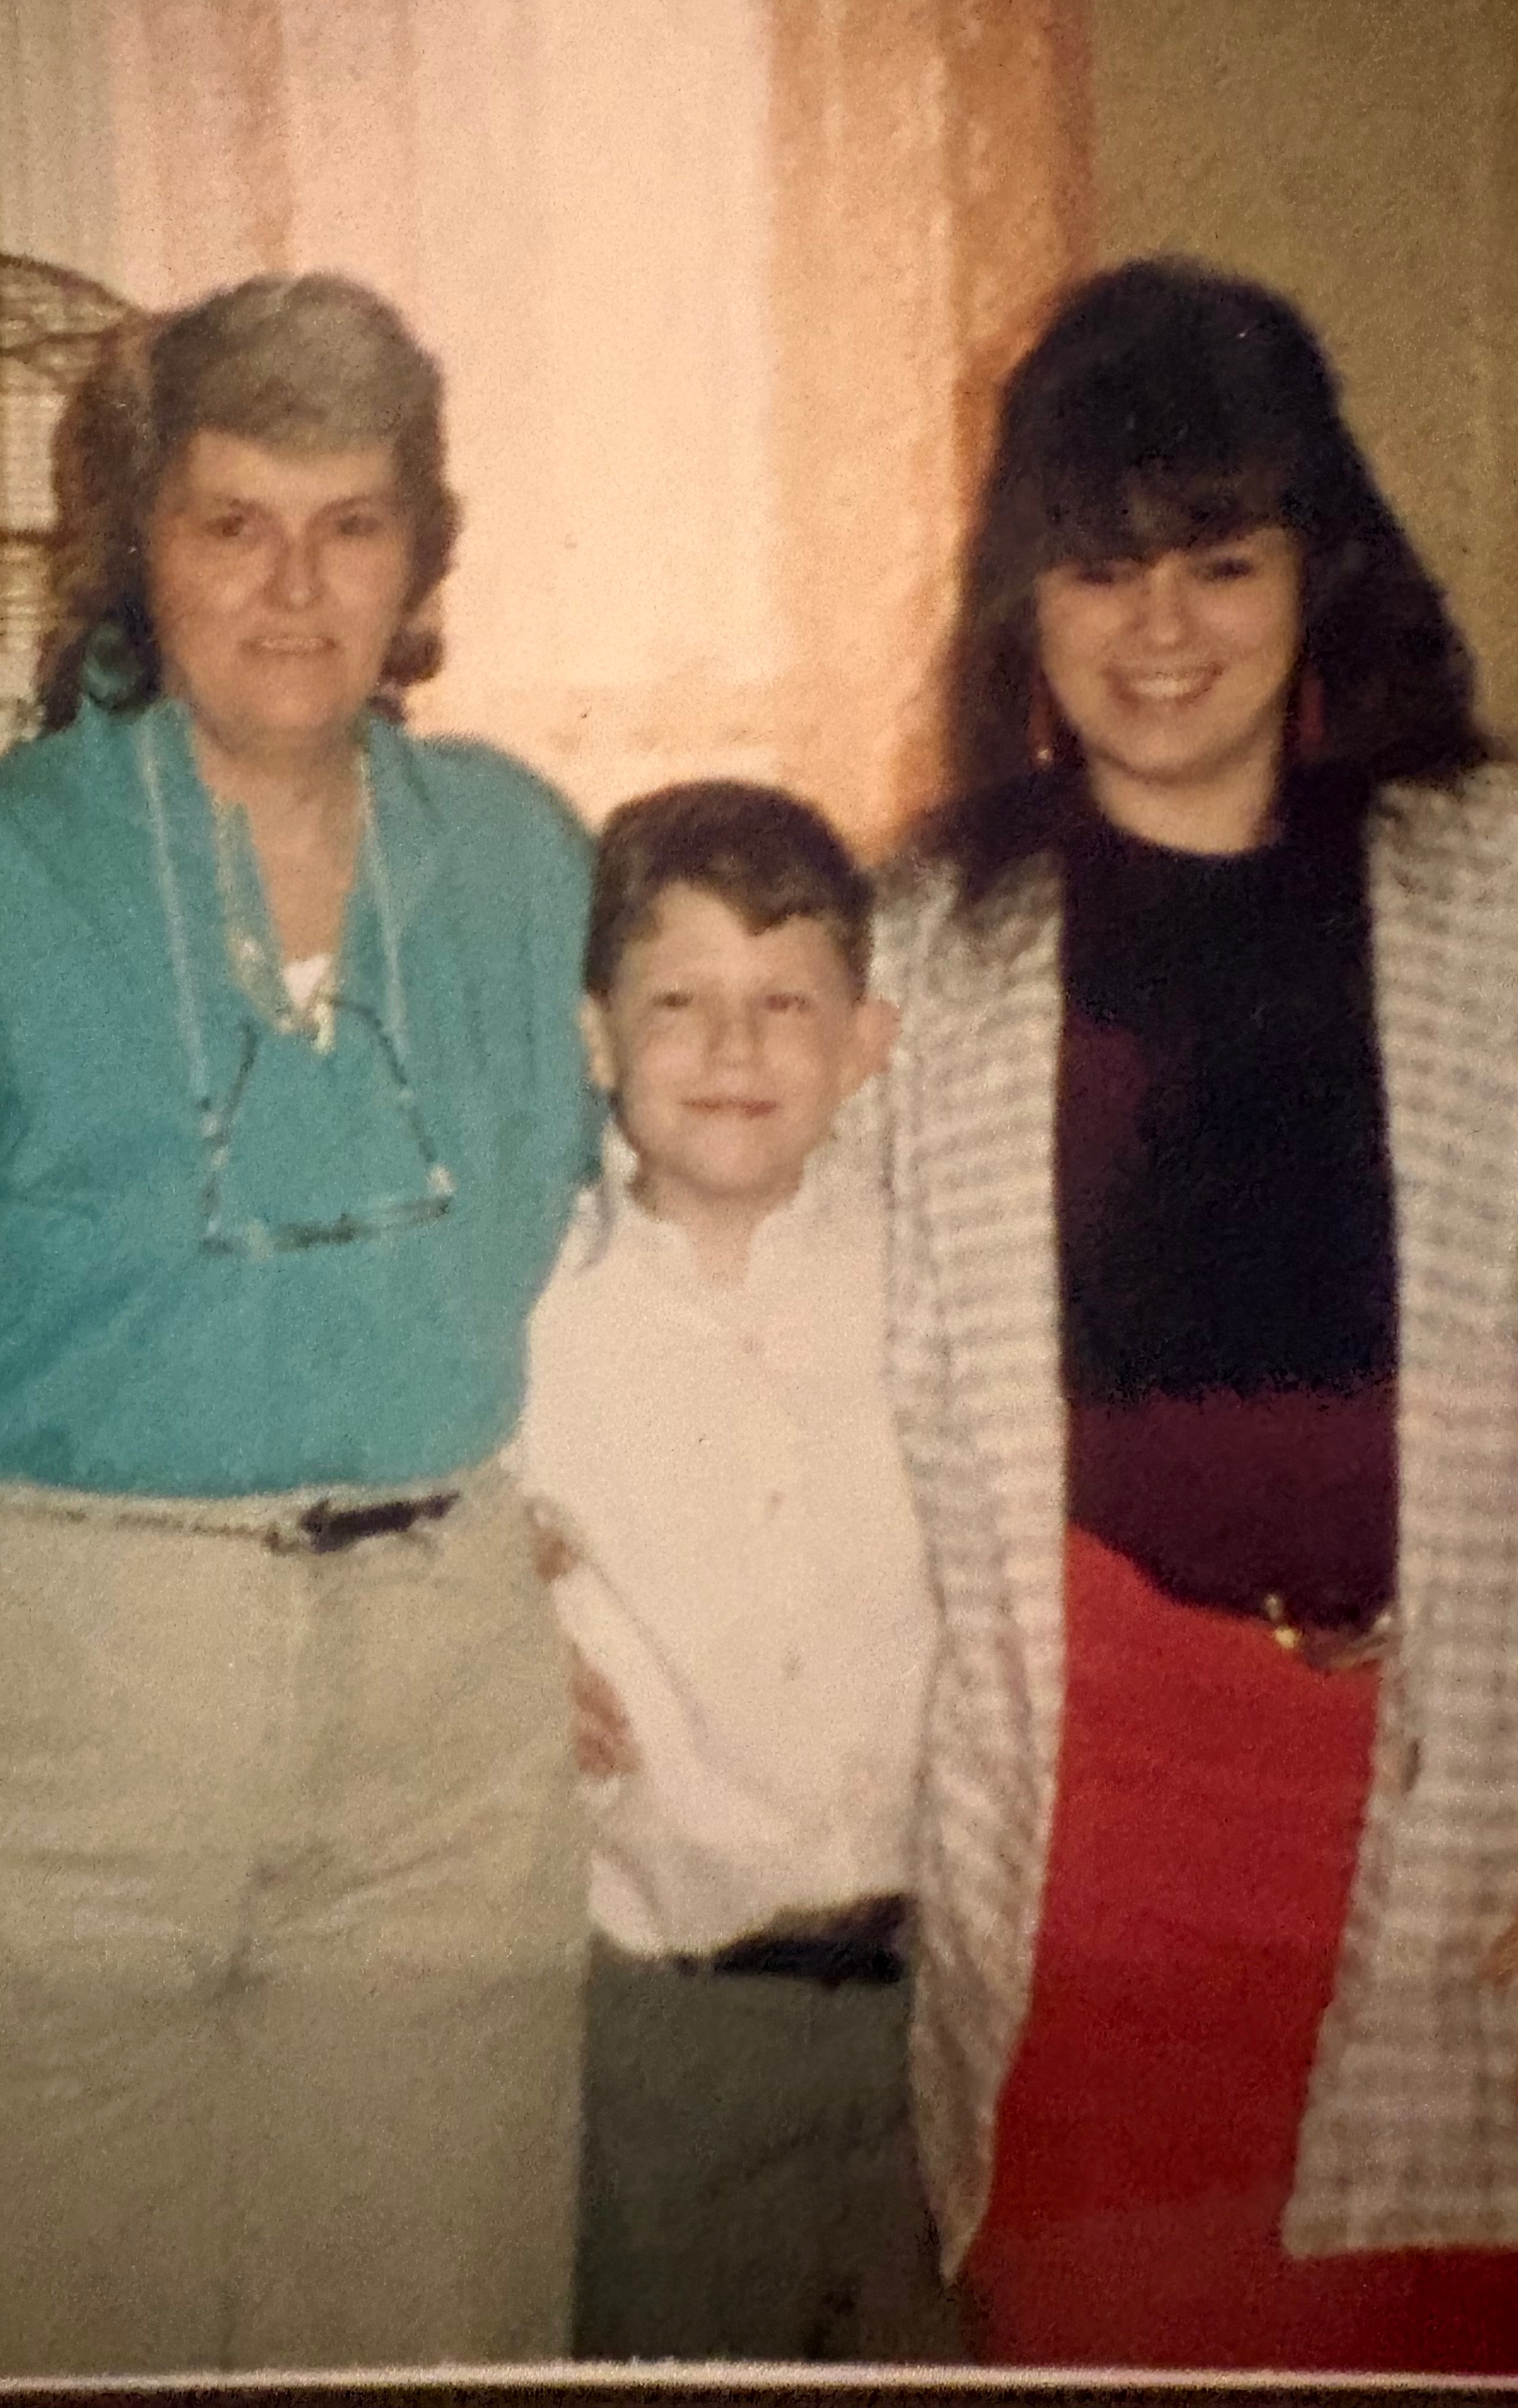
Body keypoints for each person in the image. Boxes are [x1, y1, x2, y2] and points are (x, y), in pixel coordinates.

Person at [0, 272, 598, 2377]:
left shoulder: (531, 863)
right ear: (136, 544)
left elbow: (651, 1249)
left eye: (350, 525)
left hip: (441, 1777)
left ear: (421, 557)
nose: (292, 586)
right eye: (230, 522)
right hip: (28, 1764)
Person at [876, 254, 1518, 2372]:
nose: (1160, 630)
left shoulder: (1491, 883)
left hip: (1465, 1785)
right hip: (1104, 1795)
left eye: (1221, 563)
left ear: (1319, 572)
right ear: (1024, 603)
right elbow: (739, 1276)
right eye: (1100, 568)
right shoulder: (927, 941)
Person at [518, 779, 956, 2363]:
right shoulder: (526, 1307)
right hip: (663, 2013)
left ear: (867, 1042)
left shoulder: (935, 1270)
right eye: (679, 1004)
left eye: (786, 1005)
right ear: (595, 1037)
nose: (734, 1049)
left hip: (940, 2003)